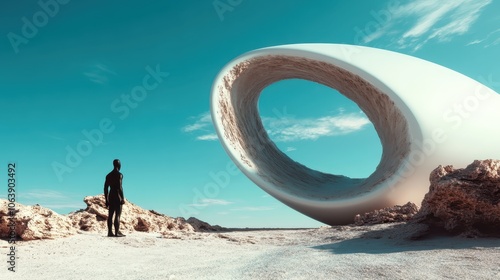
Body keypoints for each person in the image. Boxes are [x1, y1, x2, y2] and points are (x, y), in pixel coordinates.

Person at [104, 159, 126, 237]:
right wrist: (122, 198)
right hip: (117, 195)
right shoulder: (119, 175)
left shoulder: (108, 175)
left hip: (111, 195)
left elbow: (105, 188)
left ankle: (110, 232)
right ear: (119, 165)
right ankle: (116, 232)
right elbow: (120, 187)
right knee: (117, 215)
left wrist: (106, 199)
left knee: (110, 215)